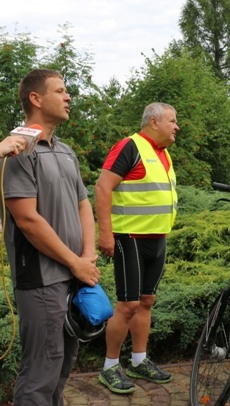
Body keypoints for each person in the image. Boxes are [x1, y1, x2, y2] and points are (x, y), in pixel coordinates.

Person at [0, 68, 100, 406]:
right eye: (60, 91)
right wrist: (75, 262)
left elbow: (84, 204)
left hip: (74, 274)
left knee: (63, 366)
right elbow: (26, 219)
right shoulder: (17, 151)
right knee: (41, 372)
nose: (68, 97)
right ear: (36, 99)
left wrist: (88, 254)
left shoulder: (65, 150)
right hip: (41, 279)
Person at [95, 102, 179, 394]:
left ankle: (139, 360)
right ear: (153, 122)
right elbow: (103, 187)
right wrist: (105, 234)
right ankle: (109, 367)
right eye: (172, 120)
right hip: (129, 237)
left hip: (158, 239)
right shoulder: (129, 146)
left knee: (146, 301)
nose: (176, 126)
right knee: (128, 304)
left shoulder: (163, 153)